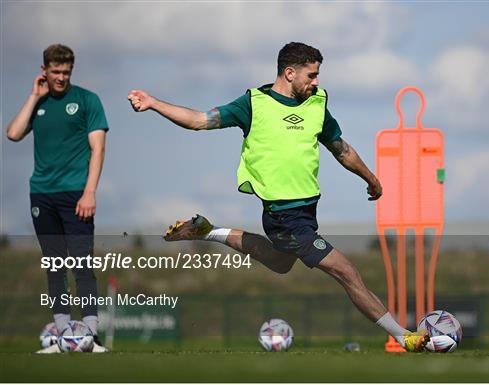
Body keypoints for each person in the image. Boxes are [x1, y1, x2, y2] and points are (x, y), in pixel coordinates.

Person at [128, 42, 428, 352]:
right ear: (289, 73)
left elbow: (342, 149)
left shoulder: (317, 104)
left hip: (306, 211)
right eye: (311, 76)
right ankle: (404, 336)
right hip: (284, 214)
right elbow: (199, 120)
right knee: (346, 271)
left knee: (282, 262)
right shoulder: (253, 104)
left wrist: (371, 177)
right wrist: (153, 103)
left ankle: (210, 231)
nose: (316, 82)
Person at [6, 44, 108, 353]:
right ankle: (64, 335)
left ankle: (91, 335)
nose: (61, 78)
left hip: (77, 194)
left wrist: (90, 191)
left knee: (81, 263)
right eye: (56, 72)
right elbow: (13, 133)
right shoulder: (39, 102)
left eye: (66, 72)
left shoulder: (88, 101)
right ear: (44, 71)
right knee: (54, 264)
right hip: (41, 194)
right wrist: (34, 96)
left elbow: (98, 148)